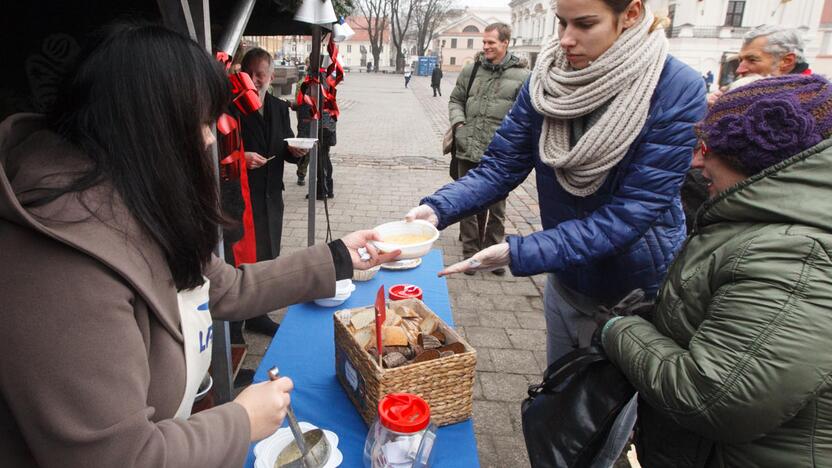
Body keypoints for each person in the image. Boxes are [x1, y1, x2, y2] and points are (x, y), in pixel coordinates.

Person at [0, 23, 397, 467]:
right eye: (203, 122)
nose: (211, 138)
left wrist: (339, 255)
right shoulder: (59, 264)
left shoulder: (133, 198)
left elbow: (225, 288)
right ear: (151, 128)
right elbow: (119, 456)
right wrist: (242, 420)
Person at [406, 0, 705, 464]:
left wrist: (518, 252)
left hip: (633, 295)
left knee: (598, 426)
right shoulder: (547, 79)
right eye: (562, 22)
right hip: (567, 279)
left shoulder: (675, 87)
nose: (565, 39)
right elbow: (502, 165)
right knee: (559, 400)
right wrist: (434, 208)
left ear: (631, 13)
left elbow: (632, 214)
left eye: (585, 24)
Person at [601, 74, 832, 467]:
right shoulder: (767, 226)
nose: (696, 161)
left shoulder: (795, 255)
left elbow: (713, 397)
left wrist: (620, 330)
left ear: (760, 163)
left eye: (707, 148)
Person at [226, 47, 309, 341]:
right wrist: (241, 157)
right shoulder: (231, 106)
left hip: (272, 195)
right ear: (242, 75)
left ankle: (258, 315)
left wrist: (294, 151)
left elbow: (282, 145)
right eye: (252, 75)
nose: (258, 81)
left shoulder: (276, 106)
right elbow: (220, 153)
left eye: (263, 75)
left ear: (272, 77)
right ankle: (233, 328)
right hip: (240, 199)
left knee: (268, 256)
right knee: (240, 262)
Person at [447, 22, 530, 276]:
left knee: (497, 206)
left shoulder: (522, 77)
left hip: (500, 153)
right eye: (484, 42)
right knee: (466, 203)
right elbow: (456, 99)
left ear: (505, 43)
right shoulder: (471, 69)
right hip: (467, 146)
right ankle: (470, 254)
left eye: (491, 43)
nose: (486, 47)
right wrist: (459, 124)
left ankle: (492, 254)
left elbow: (525, 115)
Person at [708, 25, 809, 106]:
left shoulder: (810, 102)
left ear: (786, 61)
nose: (739, 70)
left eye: (752, 60)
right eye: (741, 60)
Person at [294, 55, 337, 198]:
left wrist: (294, 106)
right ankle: (328, 189)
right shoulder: (327, 77)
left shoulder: (313, 79)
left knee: (320, 158)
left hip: (319, 124)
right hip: (328, 123)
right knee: (325, 157)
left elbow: (307, 103)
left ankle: (321, 191)